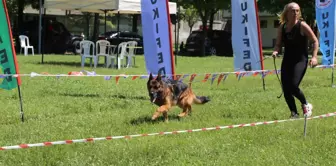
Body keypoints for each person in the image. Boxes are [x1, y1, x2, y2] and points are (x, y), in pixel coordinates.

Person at [272, 2, 319, 118]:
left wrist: (314, 57)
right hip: (287, 60)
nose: (295, 13)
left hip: (300, 60)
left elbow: (315, 41)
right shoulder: (282, 27)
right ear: (286, 13)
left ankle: (306, 104)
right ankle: (294, 113)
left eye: (297, 10)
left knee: (293, 85)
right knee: (286, 89)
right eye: (292, 10)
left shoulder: (302, 26)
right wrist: (276, 51)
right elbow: (278, 44)